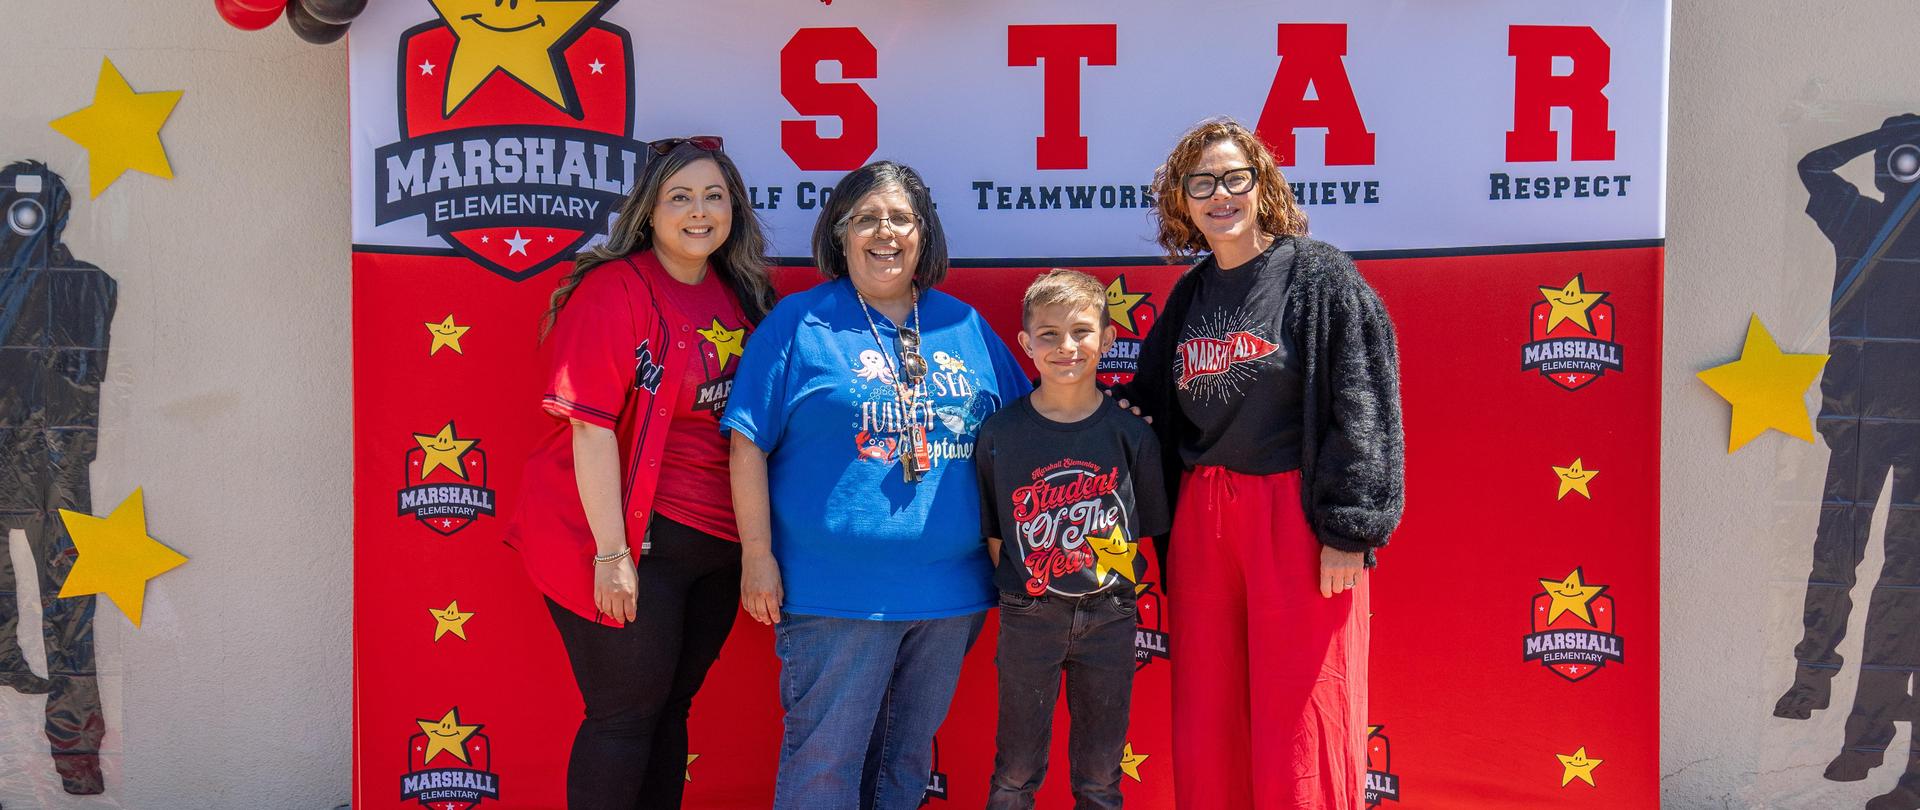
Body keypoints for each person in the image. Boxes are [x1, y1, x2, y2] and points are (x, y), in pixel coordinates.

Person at [721, 160, 1031, 810]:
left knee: (903, 768)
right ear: (839, 235)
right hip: (836, 595)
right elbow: (747, 441)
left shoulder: (965, 327)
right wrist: (756, 557)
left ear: (924, 234)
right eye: (865, 218)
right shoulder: (799, 324)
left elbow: (1025, 431)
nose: (883, 232)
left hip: (951, 596)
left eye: (899, 218)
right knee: (825, 769)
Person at [1115, 118, 1404, 810]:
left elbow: (1363, 395)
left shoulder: (1318, 274)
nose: (1221, 195)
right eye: (1202, 183)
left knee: (1304, 716)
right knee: (1209, 716)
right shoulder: (1190, 292)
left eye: (1234, 178)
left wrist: (1350, 527)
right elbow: (1154, 405)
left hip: (1295, 518)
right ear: (1181, 202)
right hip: (1204, 520)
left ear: (1263, 186)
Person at [504, 136, 774, 810]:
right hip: (634, 543)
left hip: (716, 543)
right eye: (679, 196)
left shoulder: (740, 294)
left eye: (714, 196)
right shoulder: (614, 290)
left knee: (668, 711)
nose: (699, 211)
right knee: (623, 719)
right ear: (649, 212)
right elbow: (591, 427)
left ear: (734, 210)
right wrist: (611, 554)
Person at [976, 270, 1169, 810]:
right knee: (1014, 771)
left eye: (1082, 331)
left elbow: (1146, 528)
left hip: (1110, 614)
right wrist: (1030, 590)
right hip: (1027, 615)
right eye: (1049, 333)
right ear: (1025, 344)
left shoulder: (1131, 434)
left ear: (1108, 339)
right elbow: (996, 532)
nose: (1066, 346)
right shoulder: (1000, 433)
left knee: (1100, 776)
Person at [1777, 114, 1920, 803]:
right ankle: (1812, 679)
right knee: (1836, 556)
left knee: (1902, 584)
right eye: (1897, 154)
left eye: (1912, 154)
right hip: (1859, 420)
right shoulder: (1861, 222)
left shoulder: (1861, 220)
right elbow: (1811, 166)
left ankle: (1866, 740)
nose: (1902, 164)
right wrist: (1877, 135)